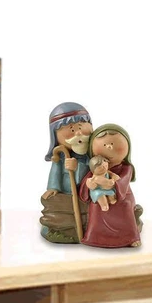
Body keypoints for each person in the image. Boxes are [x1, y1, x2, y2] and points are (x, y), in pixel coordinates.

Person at [79, 125, 140, 248]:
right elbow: (87, 183)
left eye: (113, 144)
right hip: (100, 197)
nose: (109, 147)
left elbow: (122, 182)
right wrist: (89, 184)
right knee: (95, 206)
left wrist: (112, 184)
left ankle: (130, 237)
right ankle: (95, 237)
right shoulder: (95, 169)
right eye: (104, 145)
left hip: (122, 196)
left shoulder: (126, 168)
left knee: (125, 206)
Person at [39, 101, 92, 243]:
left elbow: (95, 167)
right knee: (55, 203)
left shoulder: (92, 153)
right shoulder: (60, 155)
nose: (79, 133)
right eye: (72, 130)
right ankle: (62, 227)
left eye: (81, 127)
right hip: (67, 192)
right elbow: (55, 173)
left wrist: (79, 166)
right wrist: (53, 188)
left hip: (87, 192)